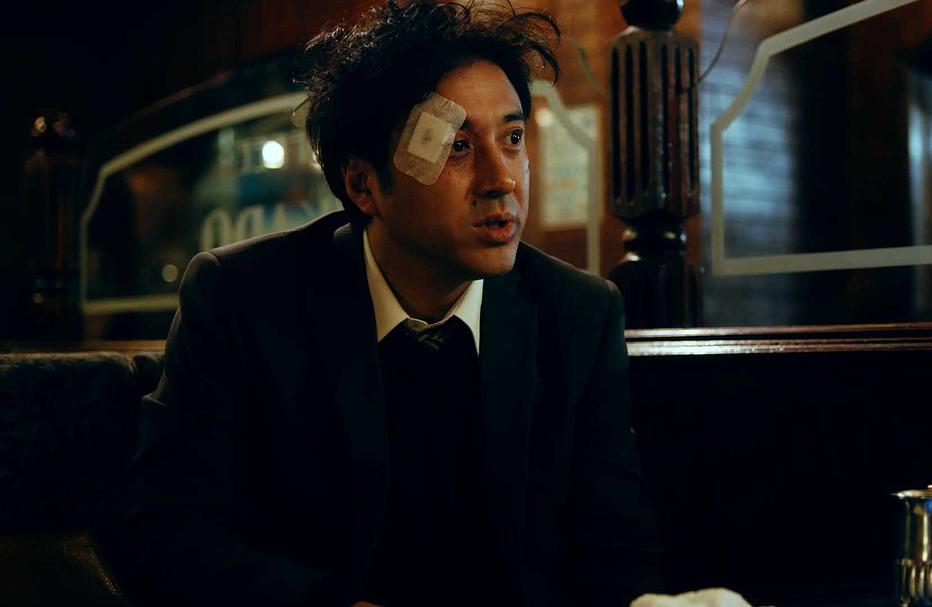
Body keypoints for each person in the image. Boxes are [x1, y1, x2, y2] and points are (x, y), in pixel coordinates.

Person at [106, 2, 662, 605]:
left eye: (512, 138)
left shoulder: (577, 313)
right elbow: (163, 532)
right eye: (455, 146)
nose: (502, 178)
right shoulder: (242, 298)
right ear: (363, 184)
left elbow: (617, 557)